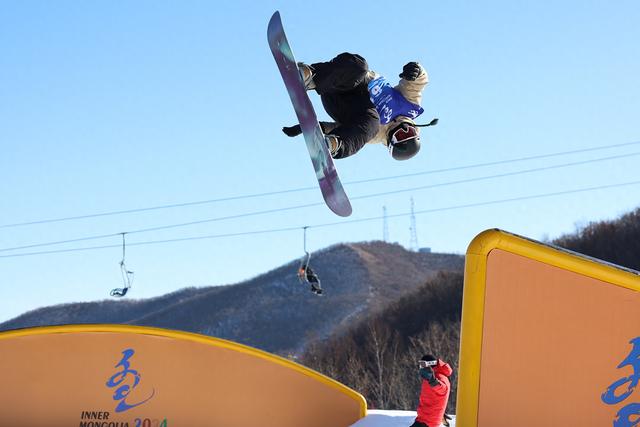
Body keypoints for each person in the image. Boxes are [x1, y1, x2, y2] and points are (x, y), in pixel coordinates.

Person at [282, 52, 435, 161]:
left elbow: (347, 129)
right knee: (360, 66)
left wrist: (311, 127)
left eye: (400, 135)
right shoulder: (410, 104)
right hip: (344, 81)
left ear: (390, 141)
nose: (404, 128)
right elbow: (417, 85)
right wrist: (416, 71)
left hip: (342, 105)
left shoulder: (375, 133)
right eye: (410, 132)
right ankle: (311, 76)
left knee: (373, 122)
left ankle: (336, 144)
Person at [410, 354, 453, 427]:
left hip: (428, 422)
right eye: (420, 364)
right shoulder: (430, 376)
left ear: (430, 364)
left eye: (423, 364)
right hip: (423, 419)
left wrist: (433, 381)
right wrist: (441, 413)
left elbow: (443, 389)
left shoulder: (439, 376)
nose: (421, 367)